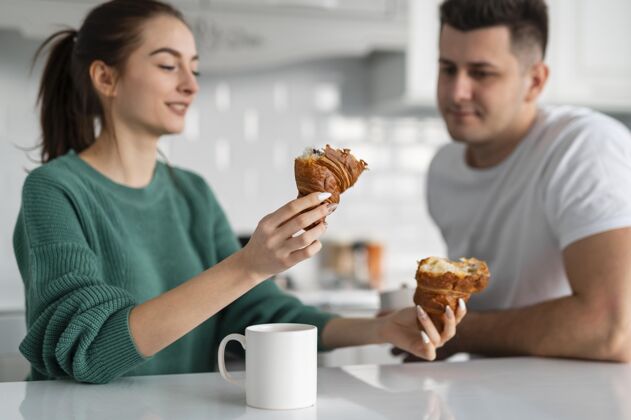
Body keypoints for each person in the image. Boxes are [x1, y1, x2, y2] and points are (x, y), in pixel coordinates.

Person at [12, 0, 467, 384]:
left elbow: (253, 311)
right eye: (168, 65)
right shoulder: (55, 191)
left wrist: (381, 329)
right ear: (105, 78)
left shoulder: (191, 193)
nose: (190, 85)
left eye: (194, 68)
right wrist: (249, 265)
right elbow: (89, 350)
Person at [411, 0, 631, 362]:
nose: (456, 92)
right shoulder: (443, 169)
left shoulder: (583, 147)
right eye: (448, 69)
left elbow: (611, 328)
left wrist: (455, 333)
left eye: (481, 73)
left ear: (535, 81)